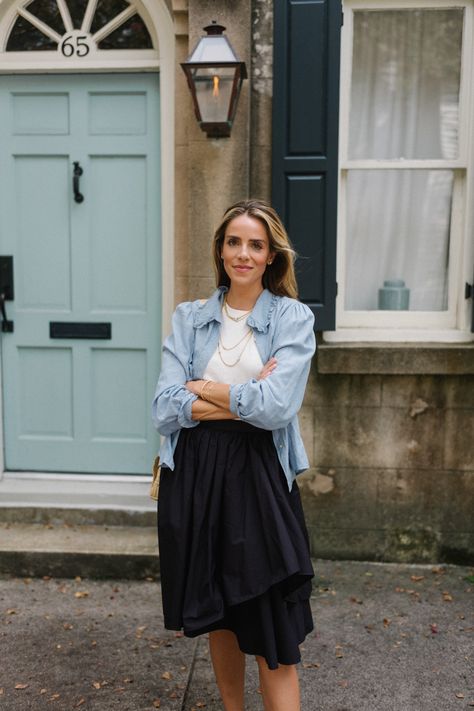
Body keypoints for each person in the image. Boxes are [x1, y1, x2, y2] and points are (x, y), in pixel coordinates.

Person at [152, 199, 316, 711]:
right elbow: (163, 406)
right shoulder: (190, 317)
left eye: (256, 244)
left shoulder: (292, 317)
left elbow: (277, 407)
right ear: (220, 250)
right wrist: (243, 396)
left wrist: (203, 390)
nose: (243, 253)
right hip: (195, 475)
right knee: (217, 612)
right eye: (233, 242)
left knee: (270, 621)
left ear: (271, 256)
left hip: (258, 477)